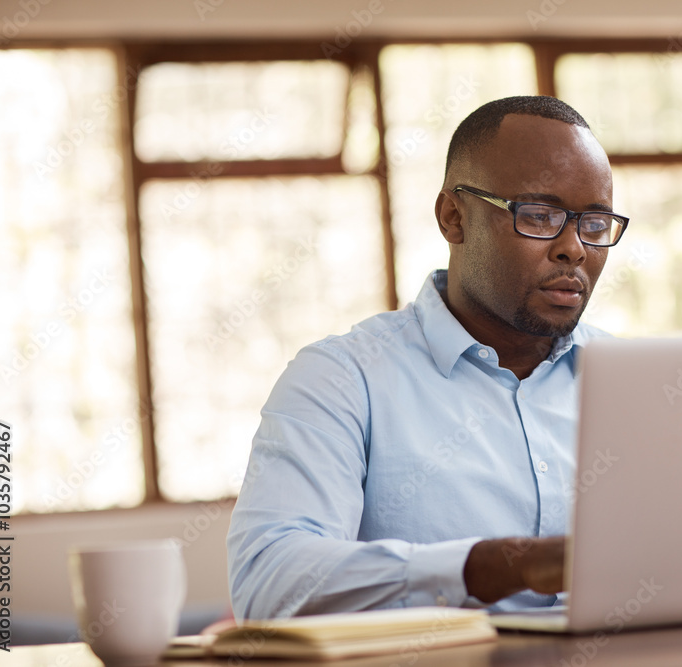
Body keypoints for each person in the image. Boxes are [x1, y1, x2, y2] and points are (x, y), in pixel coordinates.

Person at [227, 95, 629, 619]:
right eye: (539, 215)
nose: (574, 248)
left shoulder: (631, 383)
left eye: (594, 224)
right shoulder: (342, 378)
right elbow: (268, 583)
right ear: (453, 218)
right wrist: (494, 567)